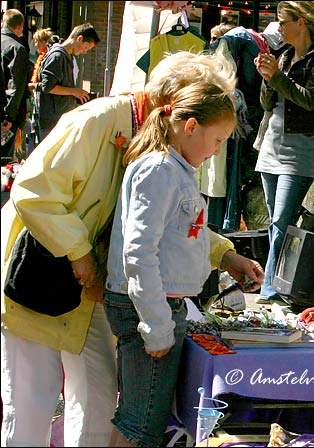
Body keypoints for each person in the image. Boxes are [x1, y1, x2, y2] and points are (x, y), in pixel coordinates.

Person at [0, 51, 264, 447]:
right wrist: (81, 256)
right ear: (177, 104)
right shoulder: (97, 121)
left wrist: (223, 253)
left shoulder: (164, 149)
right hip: (40, 281)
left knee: (98, 402)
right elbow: (34, 192)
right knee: (31, 402)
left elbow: (167, 224)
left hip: (98, 290)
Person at [104, 68, 238, 447]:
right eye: (217, 140)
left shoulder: (171, 168)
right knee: (141, 421)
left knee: (142, 416)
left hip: (159, 305)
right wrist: (158, 324)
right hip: (149, 307)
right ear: (191, 126)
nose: (216, 151)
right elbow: (139, 251)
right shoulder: (160, 169)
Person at [253, 1, 314, 304]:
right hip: (271, 144)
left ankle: (271, 288)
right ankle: (281, 281)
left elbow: (310, 100)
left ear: (300, 22)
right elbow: (267, 104)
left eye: (282, 21)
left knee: (280, 219)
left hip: (299, 148)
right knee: (277, 221)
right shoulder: (284, 56)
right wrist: (267, 77)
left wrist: (276, 76)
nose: (278, 27)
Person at [38, 22, 100, 142]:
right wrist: (74, 92)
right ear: (79, 38)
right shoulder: (57, 56)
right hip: (52, 120)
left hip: (59, 117)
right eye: (86, 47)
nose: (84, 52)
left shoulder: (67, 57)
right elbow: (48, 86)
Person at [1, 9, 32, 162]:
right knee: (5, 160)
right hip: (5, 116)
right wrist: (9, 116)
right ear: (20, 26)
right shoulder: (17, 48)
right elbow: (16, 85)